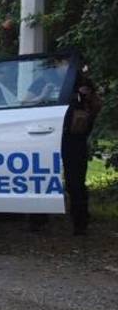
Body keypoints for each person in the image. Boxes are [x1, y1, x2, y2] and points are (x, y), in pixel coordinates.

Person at [63, 69, 102, 235]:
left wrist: (84, 96)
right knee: (43, 177)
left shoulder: (82, 82)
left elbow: (96, 107)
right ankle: (37, 220)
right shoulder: (45, 80)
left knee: (75, 182)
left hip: (74, 139)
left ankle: (80, 222)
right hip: (53, 136)